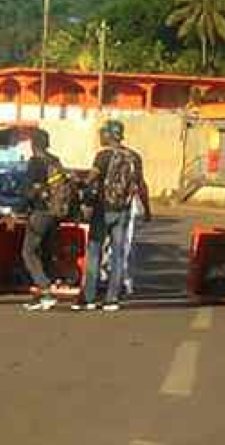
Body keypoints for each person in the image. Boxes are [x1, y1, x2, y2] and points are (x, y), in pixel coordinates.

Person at [75, 120, 149, 313]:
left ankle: (90, 297)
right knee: (118, 254)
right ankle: (112, 299)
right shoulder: (134, 157)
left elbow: (92, 179)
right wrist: (147, 210)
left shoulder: (103, 156)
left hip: (102, 210)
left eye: (103, 133)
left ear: (109, 135)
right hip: (123, 210)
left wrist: (79, 185)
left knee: (94, 252)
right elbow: (141, 185)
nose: (100, 137)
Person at [21, 129, 64, 312]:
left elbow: (29, 191)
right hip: (55, 213)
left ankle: (45, 291)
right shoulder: (55, 161)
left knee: (28, 253)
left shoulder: (35, 163)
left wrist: (24, 204)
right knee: (45, 253)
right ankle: (40, 296)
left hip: (39, 212)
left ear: (33, 144)